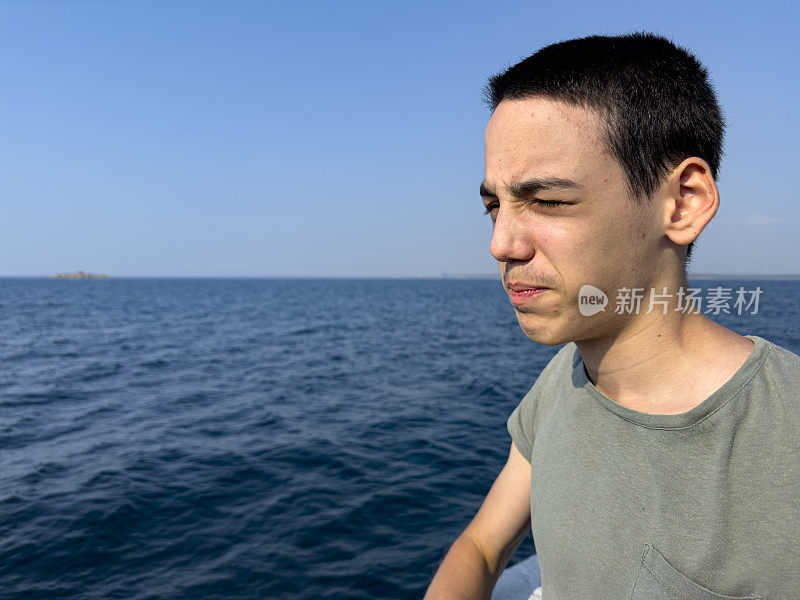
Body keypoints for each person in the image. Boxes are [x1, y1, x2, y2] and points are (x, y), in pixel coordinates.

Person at [424, 31, 800, 600]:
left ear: (683, 203)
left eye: (548, 201)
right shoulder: (562, 383)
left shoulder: (784, 433)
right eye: (493, 205)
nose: (501, 244)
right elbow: (480, 545)